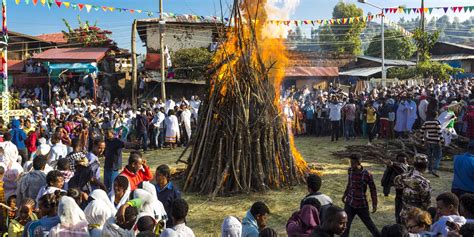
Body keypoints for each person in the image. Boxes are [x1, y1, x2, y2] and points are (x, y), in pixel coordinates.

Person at [341, 154, 380, 237]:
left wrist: (374, 203)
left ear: (358, 163)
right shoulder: (350, 171)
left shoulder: (367, 174)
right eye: (350, 163)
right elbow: (349, 184)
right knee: (345, 226)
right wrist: (344, 195)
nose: (351, 165)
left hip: (361, 204)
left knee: (370, 225)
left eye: (353, 163)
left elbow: (373, 189)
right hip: (350, 203)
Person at [394, 154, 432, 223]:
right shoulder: (424, 183)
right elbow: (426, 203)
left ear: (414, 164)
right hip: (416, 217)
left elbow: (397, 186)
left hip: (404, 214)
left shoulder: (401, 177)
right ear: (426, 166)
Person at [381, 153, 409, 224]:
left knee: (404, 210)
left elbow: (403, 170)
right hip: (400, 192)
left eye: (403, 161)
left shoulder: (408, 168)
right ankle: (398, 222)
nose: (402, 162)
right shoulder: (393, 167)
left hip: (407, 193)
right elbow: (386, 178)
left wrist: (393, 164)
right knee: (399, 209)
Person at [419, 112, 444, 177]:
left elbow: (421, 131)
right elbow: (439, 133)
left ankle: (430, 169)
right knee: (438, 156)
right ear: (436, 116)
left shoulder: (426, 122)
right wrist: (442, 141)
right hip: (436, 142)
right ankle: (434, 169)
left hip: (429, 142)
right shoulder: (436, 122)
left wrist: (422, 141)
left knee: (430, 157)